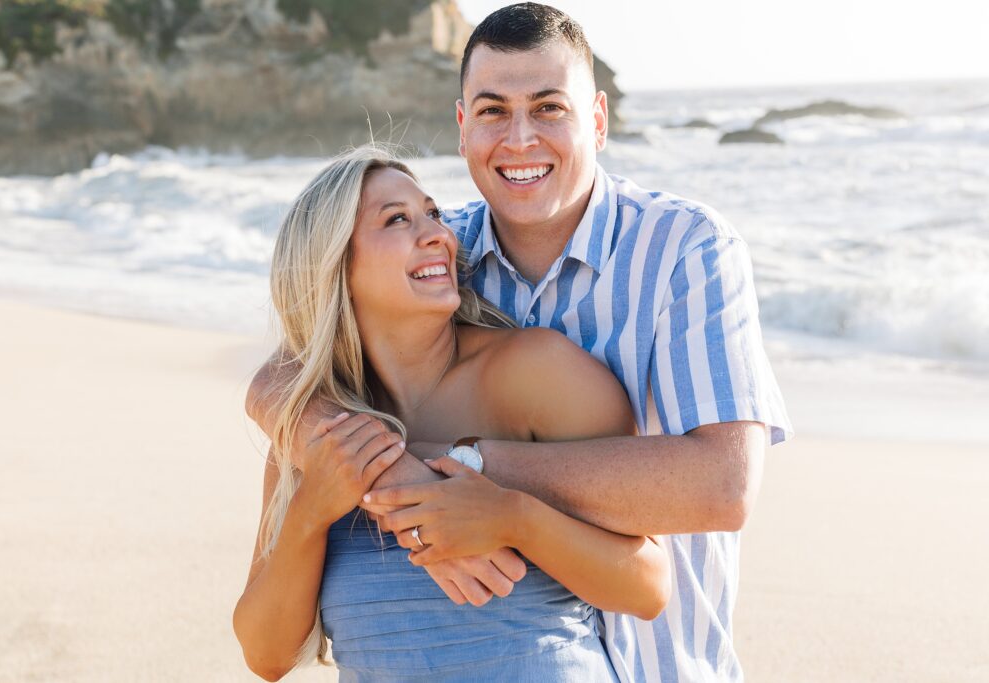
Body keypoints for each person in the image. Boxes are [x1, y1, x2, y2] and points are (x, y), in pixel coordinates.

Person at [247, 4, 792, 682]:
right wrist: (376, 473)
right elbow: (282, 376)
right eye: (494, 110)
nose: (521, 137)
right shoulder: (448, 254)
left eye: (548, 108)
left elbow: (723, 486)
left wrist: (462, 469)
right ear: (462, 127)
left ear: (597, 120)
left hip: (664, 665)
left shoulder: (685, 251)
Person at [233, 147, 671, 681]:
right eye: (397, 219)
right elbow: (267, 656)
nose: (438, 234)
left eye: (433, 214)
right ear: (334, 264)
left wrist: (513, 518)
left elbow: (648, 586)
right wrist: (310, 511)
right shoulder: (311, 431)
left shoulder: (534, 372)